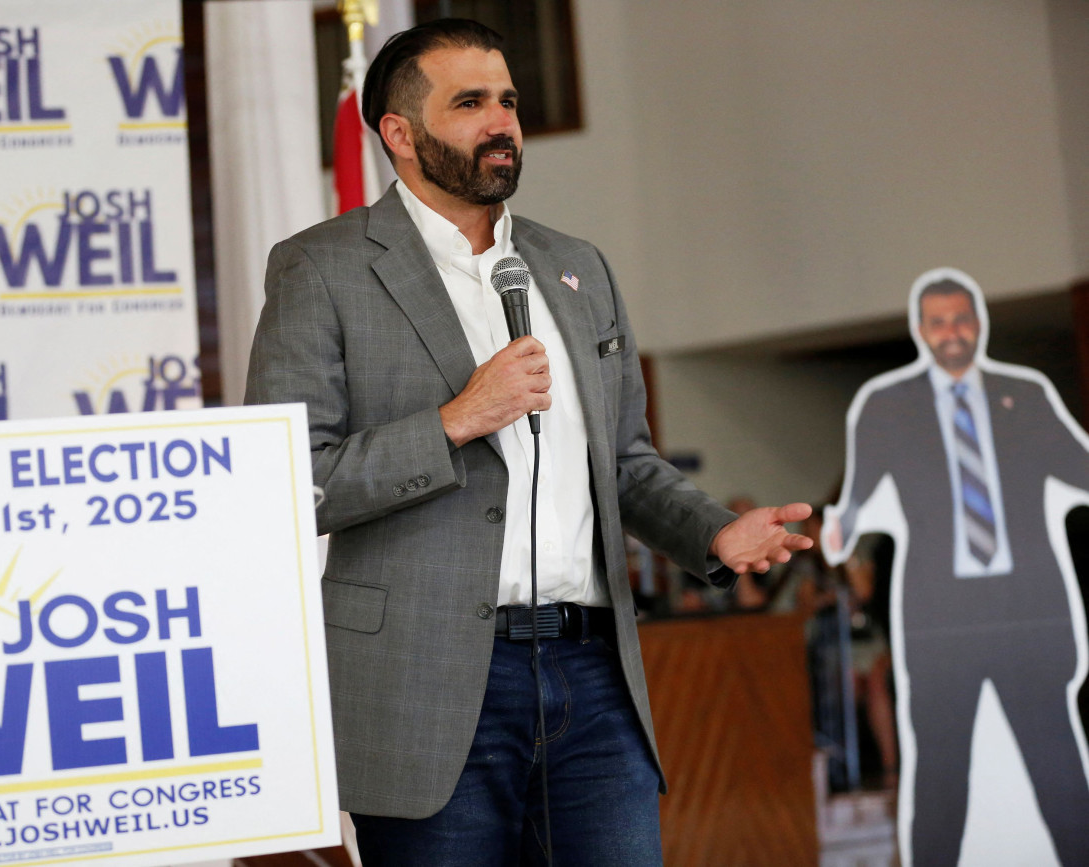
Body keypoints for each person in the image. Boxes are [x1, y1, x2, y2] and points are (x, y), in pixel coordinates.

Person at [246, 19, 811, 866]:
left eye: (508, 101)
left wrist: (713, 533)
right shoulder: (322, 268)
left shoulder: (577, 268)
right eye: (469, 103)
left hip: (592, 674)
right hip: (426, 684)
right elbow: (287, 482)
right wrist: (455, 420)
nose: (501, 122)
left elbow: (624, 462)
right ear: (398, 133)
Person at [824, 270, 1089, 866]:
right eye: (939, 322)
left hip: (1028, 609)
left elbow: (1081, 466)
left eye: (962, 319)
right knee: (941, 777)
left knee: (1058, 770)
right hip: (940, 618)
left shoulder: (1025, 394)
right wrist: (843, 528)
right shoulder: (887, 406)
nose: (952, 332)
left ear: (979, 323)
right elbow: (858, 493)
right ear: (921, 329)